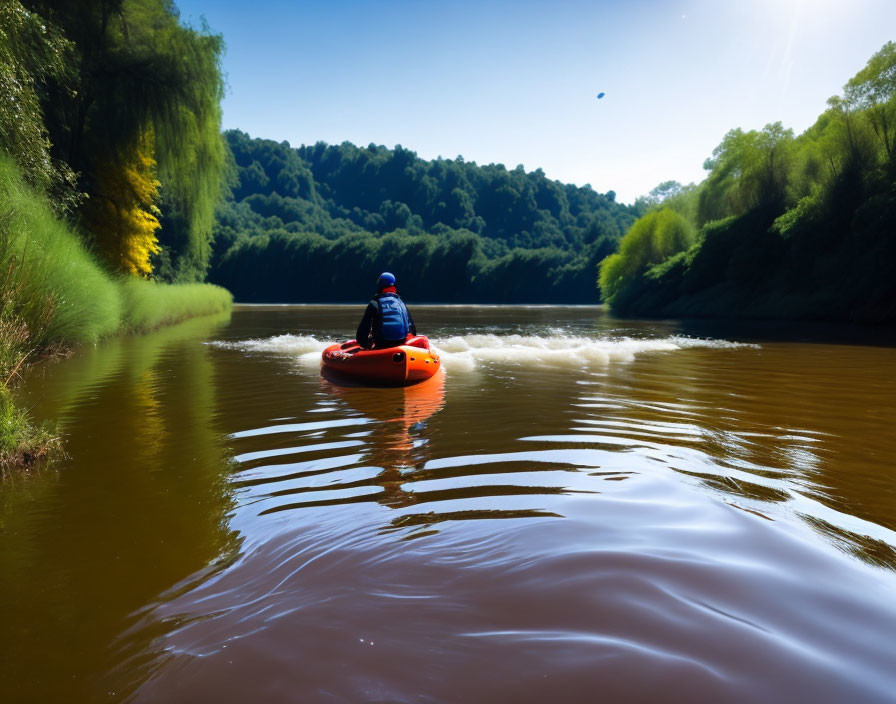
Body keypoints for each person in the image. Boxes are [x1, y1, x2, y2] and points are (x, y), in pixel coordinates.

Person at [355, 272, 417, 349]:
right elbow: (413, 331)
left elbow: (363, 331)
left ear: (380, 285)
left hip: (382, 345)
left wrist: (366, 345)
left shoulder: (374, 303)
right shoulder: (401, 303)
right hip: (401, 343)